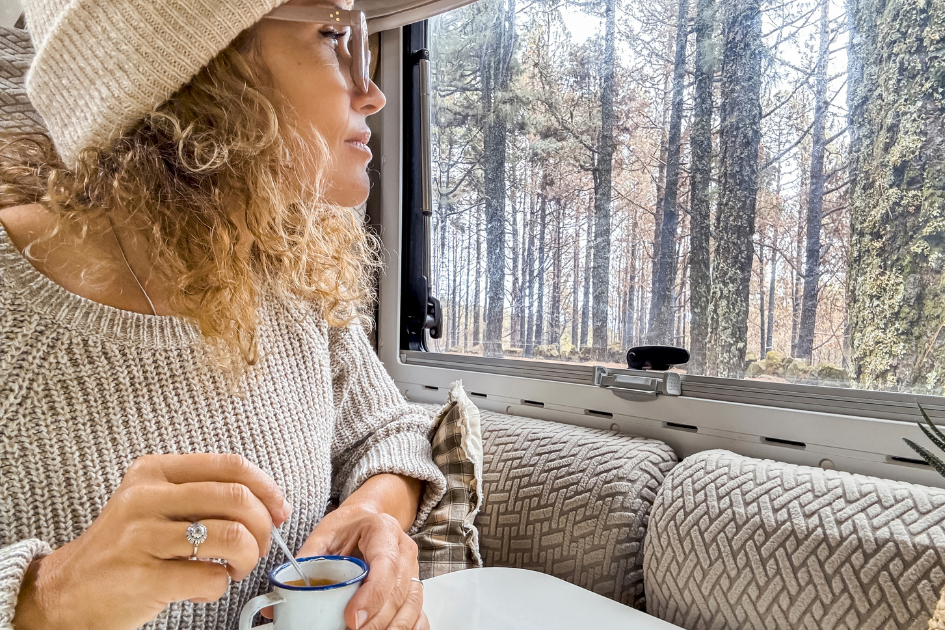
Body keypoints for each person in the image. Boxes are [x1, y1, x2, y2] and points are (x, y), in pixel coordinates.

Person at [0, 1, 445, 629]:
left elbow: (386, 431)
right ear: (200, 73)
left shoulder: (283, 267)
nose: (371, 93)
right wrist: (51, 595)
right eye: (333, 34)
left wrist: (376, 511)